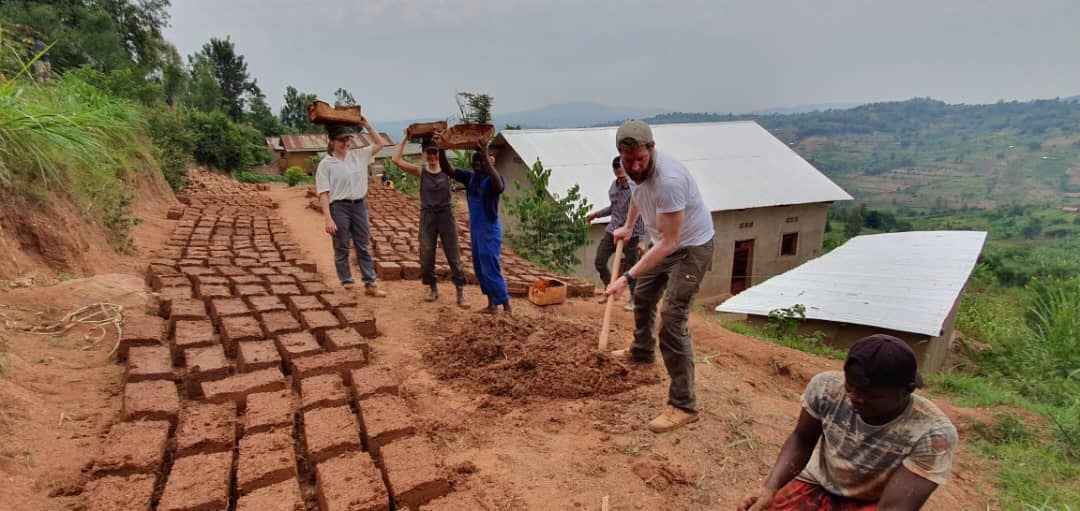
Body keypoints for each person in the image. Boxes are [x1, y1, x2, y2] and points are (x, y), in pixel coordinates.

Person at [737, 334, 958, 511]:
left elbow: (895, 507)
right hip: (818, 482)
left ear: (907, 390)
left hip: (875, 502)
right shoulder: (826, 389)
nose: (855, 398)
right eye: (850, 387)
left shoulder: (932, 434)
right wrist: (770, 487)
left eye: (871, 395)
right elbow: (802, 439)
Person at [603, 119, 715, 433]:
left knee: (671, 319)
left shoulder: (670, 179)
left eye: (641, 159)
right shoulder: (632, 170)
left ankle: (683, 405)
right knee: (644, 298)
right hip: (664, 243)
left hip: (690, 247)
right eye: (629, 161)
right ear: (621, 156)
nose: (636, 166)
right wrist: (628, 225)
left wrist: (625, 277)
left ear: (652, 148)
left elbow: (670, 242)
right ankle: (641, 350)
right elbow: (639, 196)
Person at [391, 131, 470, 308]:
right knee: (426, 254)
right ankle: (432, 287)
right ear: (424, 154)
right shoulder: (421, 171)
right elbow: (395, 160)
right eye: (429, 152)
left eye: (435, 152)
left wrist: (444, 140)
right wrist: (404, 137)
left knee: (453, 254)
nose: (432, 156)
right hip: (427, 216)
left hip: (446, 216)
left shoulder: (447, 172)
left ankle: (460, 291)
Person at [439, 140, 511, 314]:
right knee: (480, 267)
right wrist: (441, 149)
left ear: (486, 162)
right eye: (474, 163)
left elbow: (500, 187)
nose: (477, 166)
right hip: (476, 230)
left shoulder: (493, 179)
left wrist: (486, 155)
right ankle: (491, 305)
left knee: (490, 265)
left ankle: (506, 306)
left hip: (489, 229)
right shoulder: (470, 177)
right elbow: (448, 169)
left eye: (480, 163)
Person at [316, 120, 387, 297]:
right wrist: (328, 218)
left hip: (360, 205)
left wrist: (367, 125)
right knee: (341, 246)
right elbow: (323, 193)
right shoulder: (326, 164)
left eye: (348, 139)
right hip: (339, 207)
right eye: (341, 140)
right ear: (331, 141)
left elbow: (380, 144)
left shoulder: (358, 155)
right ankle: (347, 284)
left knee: (363, 245)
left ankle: (370, 283)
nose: (346, 143)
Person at [585, 155, 645, 311]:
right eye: (616, 169)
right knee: (600, 260)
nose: (619, 172)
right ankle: (609, 289)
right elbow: (613, 208)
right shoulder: (614, 186)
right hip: (612, 230)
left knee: (632, 268)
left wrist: (641, 239)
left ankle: (633, 299)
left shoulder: (635, 188)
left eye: (621, 169)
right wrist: (596, 214)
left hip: (631, 234)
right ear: (613, 170)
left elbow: (643, 211)